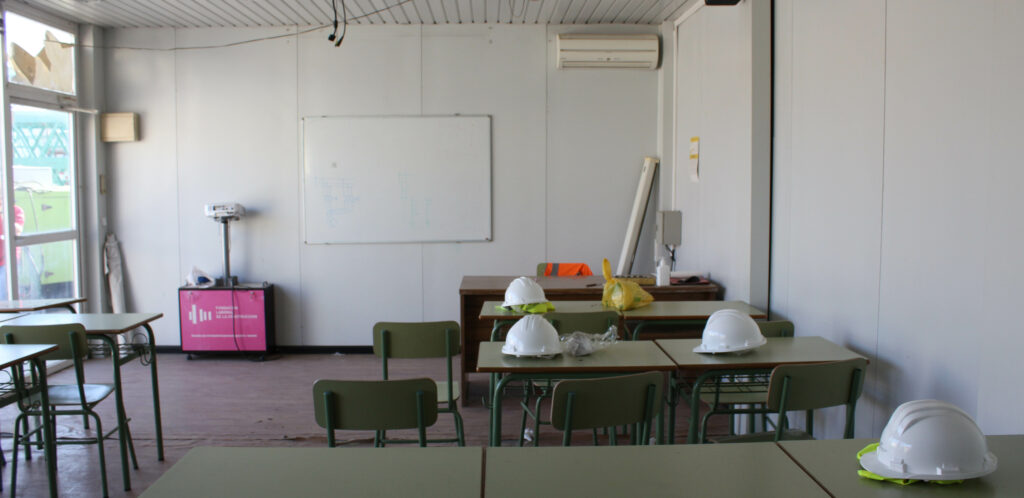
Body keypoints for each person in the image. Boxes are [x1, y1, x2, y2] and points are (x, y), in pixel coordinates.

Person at [0, 205, 25, 301]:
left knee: (5, 294)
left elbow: (17, 230)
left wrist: (3, 214)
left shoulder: (16, 210)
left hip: (7, 261)